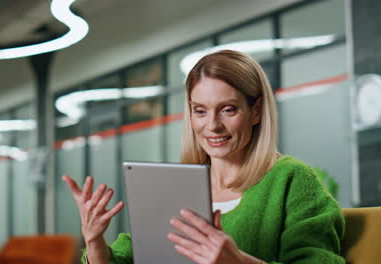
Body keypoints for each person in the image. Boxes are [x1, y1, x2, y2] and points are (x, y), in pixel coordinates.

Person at [62, 50, 345, 264]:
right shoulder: (176, 185)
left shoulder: (291, 179)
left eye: (228, 109)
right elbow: (130, 257)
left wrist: (238, 261)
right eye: (200, 111)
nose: (212, 126)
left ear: (256, 111)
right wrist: (94, 239)